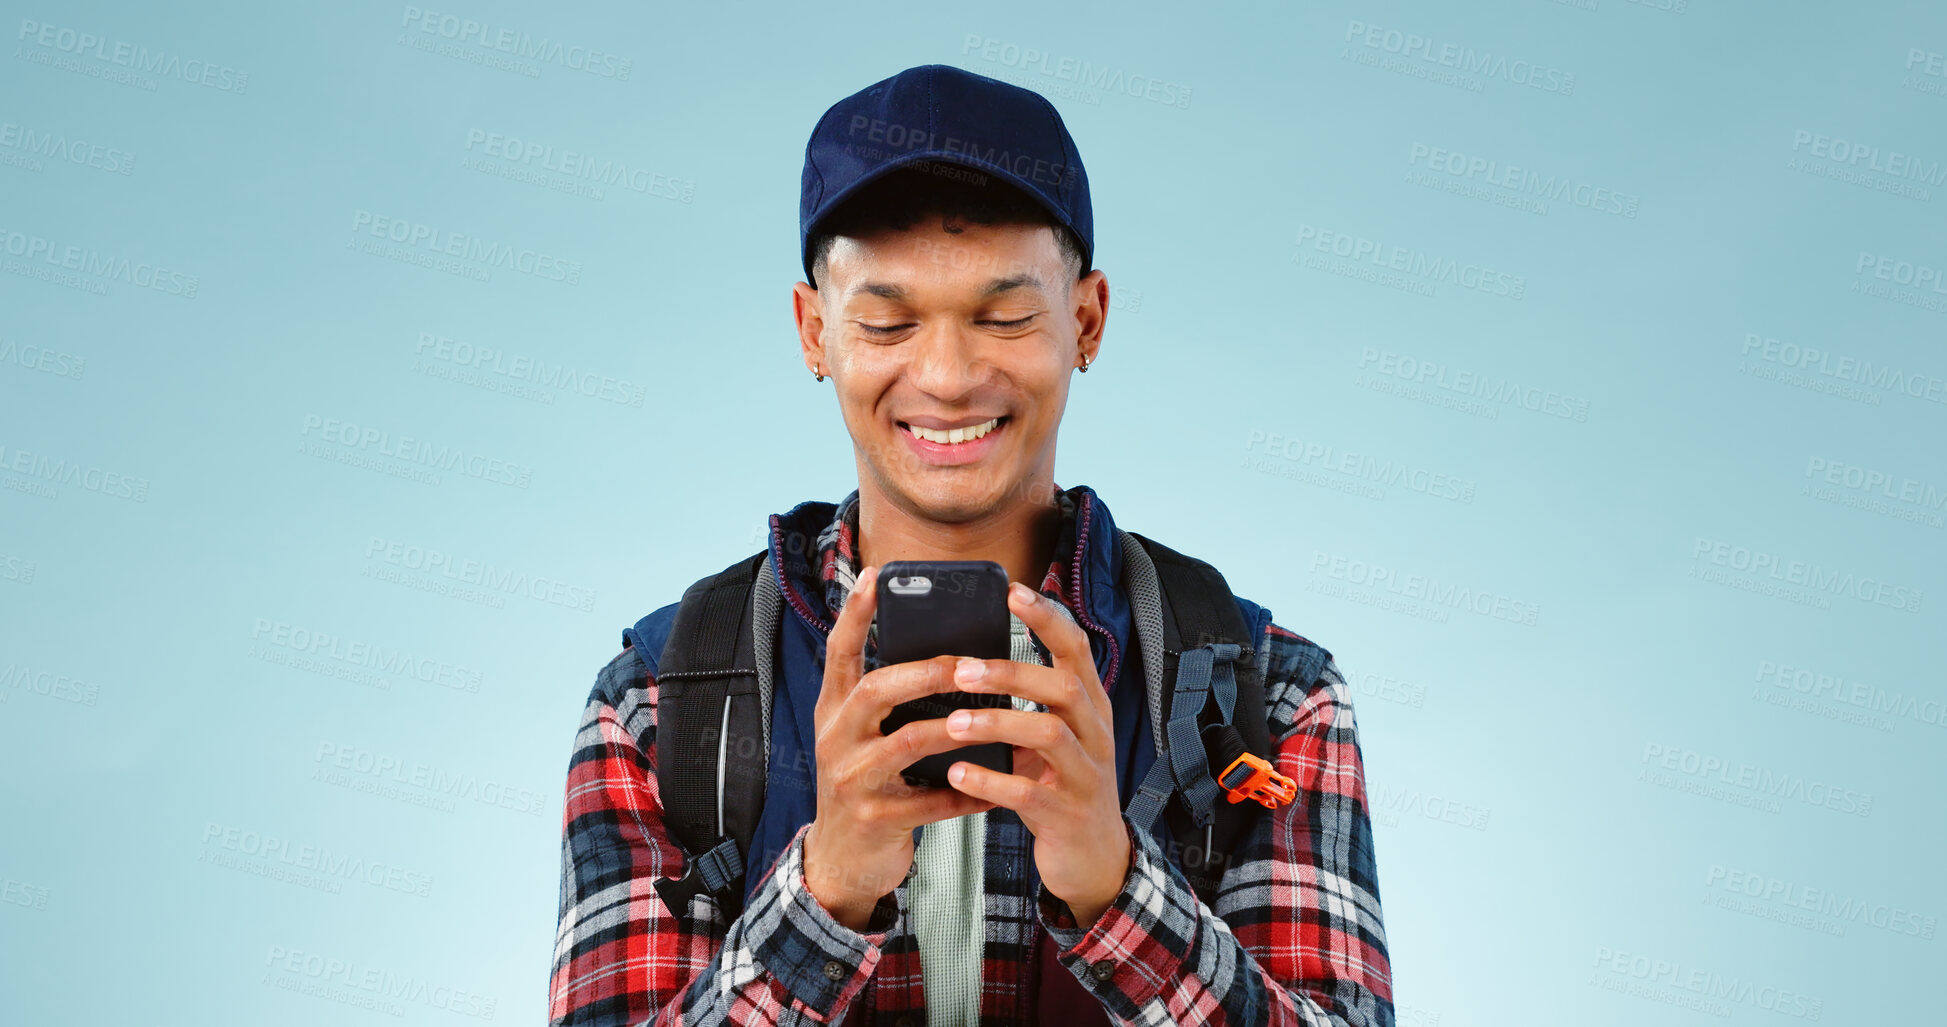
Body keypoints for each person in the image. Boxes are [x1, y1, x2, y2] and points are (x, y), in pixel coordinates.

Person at [547, 63, 1394, 1027]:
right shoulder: (660, 705)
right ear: (813, 331)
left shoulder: (1269, 694)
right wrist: (821, 895)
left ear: (1085, 320)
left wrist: (1118, 886)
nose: (946, 377)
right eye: (886, 321)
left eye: (1004, 317)